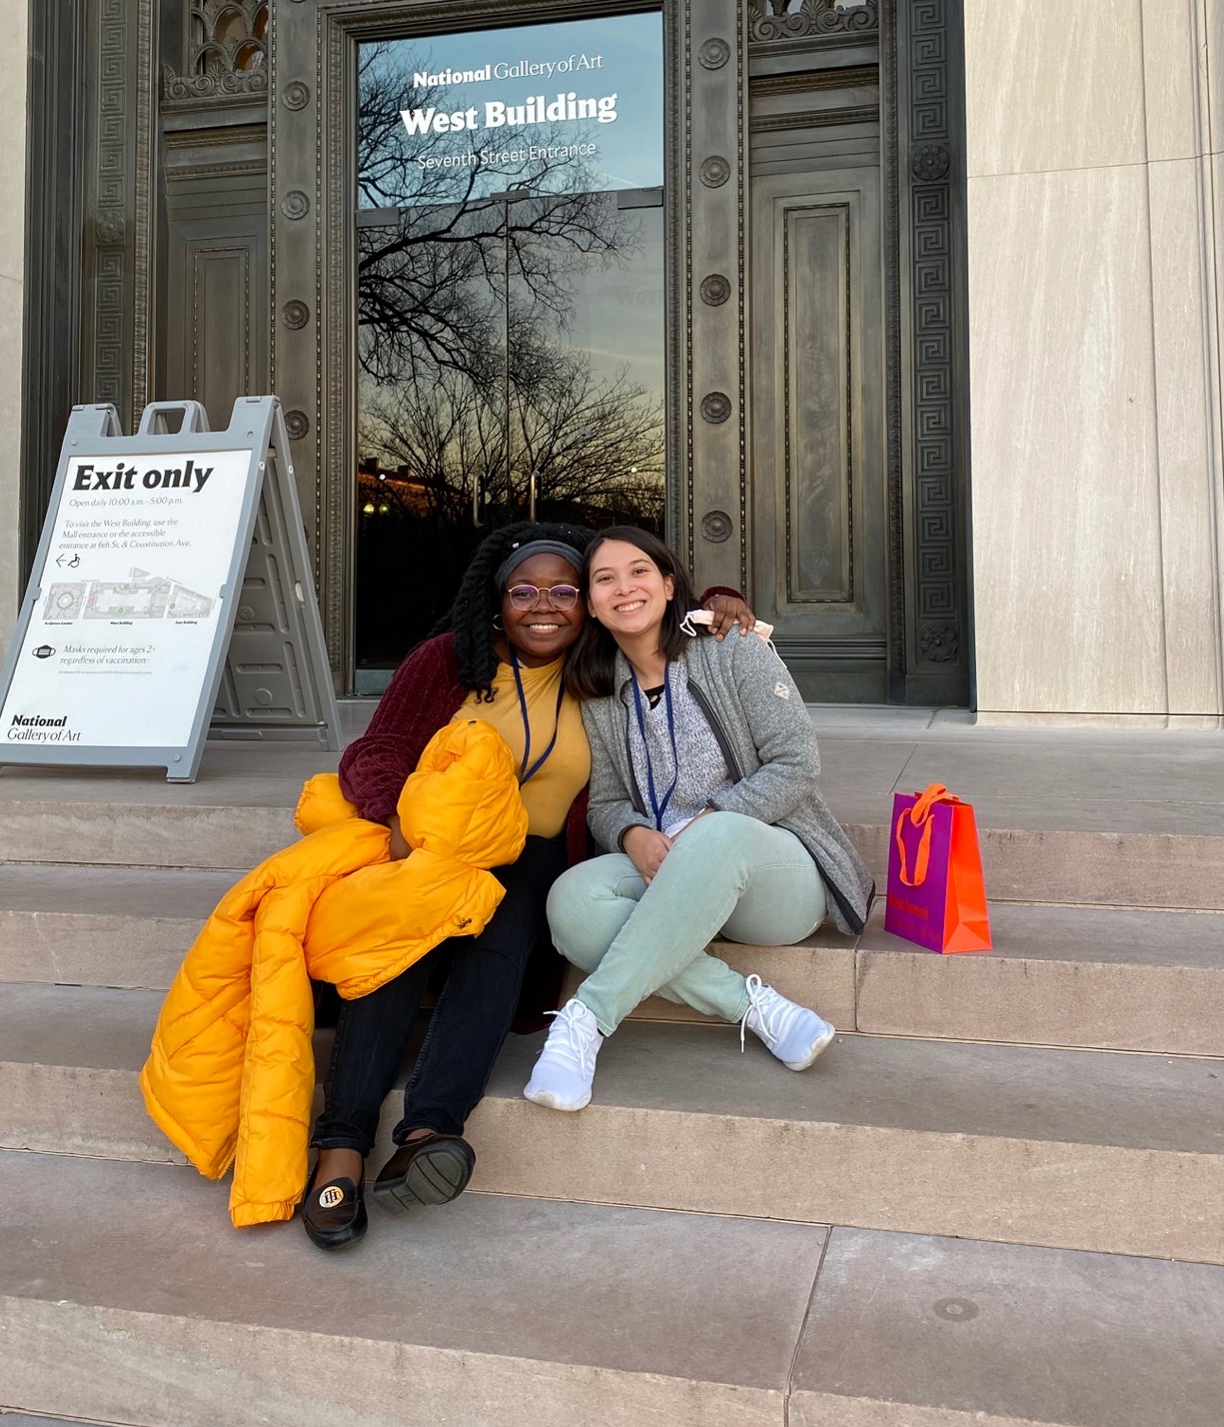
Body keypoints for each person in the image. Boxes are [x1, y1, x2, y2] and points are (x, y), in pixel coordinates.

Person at [304, 520, 752, 1248]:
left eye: (565, 590)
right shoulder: (448, 660)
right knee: (396, 947)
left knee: (507, 928)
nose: (543, 605)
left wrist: (722, 601)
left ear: (588, 605)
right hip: (433, 849)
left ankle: (428, 1130)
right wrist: (396, 821)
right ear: (496, 599)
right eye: (524, 591)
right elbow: (377, 748)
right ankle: (342, 1145)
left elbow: (666, 612)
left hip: (537, 853)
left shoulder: (600, 664)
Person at [523, 527, 875, 1114]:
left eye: (639, 572)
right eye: (604, 579)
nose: (624, 588)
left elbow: (797, 763)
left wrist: (704, 824)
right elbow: (607, 802)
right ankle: (755, 1007)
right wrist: (631, 834)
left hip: (773, 873)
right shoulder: (601, 690)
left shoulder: (732, 649)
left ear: (667, 585)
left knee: (719, 832)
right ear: (590, 601)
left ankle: (586, 1020)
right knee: (571, 901)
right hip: (673, 876)